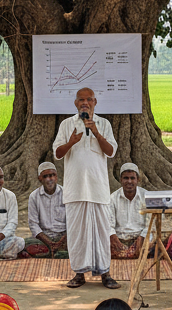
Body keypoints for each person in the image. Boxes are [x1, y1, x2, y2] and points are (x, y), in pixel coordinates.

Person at [53, 88, 118, 288]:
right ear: (75, 103)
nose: (85, 103)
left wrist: (96, 132)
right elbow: (57, 153)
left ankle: (105, 273)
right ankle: (79, 273)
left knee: (101, 231)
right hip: (75, 189)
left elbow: (111, 151)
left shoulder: (104, 124)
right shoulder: (66, 125)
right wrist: (71, 142)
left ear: (95, 102)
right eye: (81, 99)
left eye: (89, 99)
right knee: (77, 233)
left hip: (98, 188)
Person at [25, 162, 69, 258]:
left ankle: (53, 252)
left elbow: (72, 221)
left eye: (52, 175)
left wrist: (61, 241)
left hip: (64, 237)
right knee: (23, 243)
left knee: (81, 242)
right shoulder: (34, 196)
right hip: (44, 238)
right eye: (46, 176)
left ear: (56, 177)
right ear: (40, 179)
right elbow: (33, 224)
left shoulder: (66, 194)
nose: (50, 179)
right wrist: (50, 243)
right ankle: (57, 252)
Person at [108, 163, 146, 260]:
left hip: (140, 238)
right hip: (119, 239)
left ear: (138, 180)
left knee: (154, 245)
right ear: (121, 180)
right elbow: (109, 224)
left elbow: (151, 224)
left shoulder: (146, 196)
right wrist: (114, 238)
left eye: (132, 178)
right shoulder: (113, 198)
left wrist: (141, 239)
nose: (129, 181)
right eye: (126, 178)